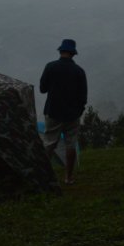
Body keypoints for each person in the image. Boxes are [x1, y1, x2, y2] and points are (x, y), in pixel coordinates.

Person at [39, 38, 87, 185]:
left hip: (53, 112)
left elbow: (42, 89)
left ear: (60, 51)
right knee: (70, 144)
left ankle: (43, 176)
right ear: (73, 54)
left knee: (49, 143)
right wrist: (78, 111)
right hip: (72, 114)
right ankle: (68, 177)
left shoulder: (50, 67)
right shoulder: (79, 71)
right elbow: (83, 97)